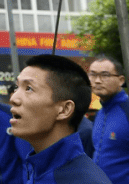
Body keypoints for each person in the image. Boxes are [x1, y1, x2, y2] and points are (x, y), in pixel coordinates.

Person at [9, 54, 111, 184]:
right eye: (18, 87)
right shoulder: (39, 167)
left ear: (64, 110)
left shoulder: (82, 180)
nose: (13, 99)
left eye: (29, 88)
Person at [90, 54, 129, 184]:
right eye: (93, 75)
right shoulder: (100, 113)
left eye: (105, 75)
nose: (97, 81)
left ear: (121, 80)